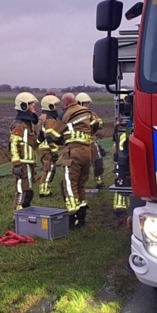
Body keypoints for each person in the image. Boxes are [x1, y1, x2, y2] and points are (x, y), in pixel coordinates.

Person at [54, 92, 96, 228]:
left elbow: (54, 135)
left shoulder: (65, 114)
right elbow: (97, 124)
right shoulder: (87, 111)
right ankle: (82, 215)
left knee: (69, 184)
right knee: (81, 184)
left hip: (73, 153)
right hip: (87, 152)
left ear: (65, 103)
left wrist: (62, 140)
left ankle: (73, 216)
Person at [9, 92, 40, 212]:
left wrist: (41, 138)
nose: (34, 106)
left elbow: (31, 144)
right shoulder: (19, 125)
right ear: (23, 106)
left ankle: (24, 215)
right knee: (23, 191)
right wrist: (16, 164)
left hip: (29, 164)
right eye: (31, 104)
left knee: (29, 192)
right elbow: (13, 144)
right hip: (22, 164)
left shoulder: (28, 124)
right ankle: (17, 216)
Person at [76, 92, 106, 187]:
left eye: (88, 103)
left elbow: (100, 123)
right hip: (80, 144)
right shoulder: (74, 115)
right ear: (79, 103)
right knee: (81, 164)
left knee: (98, 161)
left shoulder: (92, 114)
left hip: (92, 142)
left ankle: (99, 181)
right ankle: (79, 183)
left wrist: (97, 124)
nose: (87, 105)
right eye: (85, 103)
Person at [36, 94, 61, 196]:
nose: (57, 107)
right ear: (50, 106)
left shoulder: (42, 117)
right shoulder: (50, 119)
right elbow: (49, 136)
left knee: (47, 168)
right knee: (49, 169)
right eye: (55, 105)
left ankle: (44, 189)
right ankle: (44, 191)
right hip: (47, 148)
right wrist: (54, 151)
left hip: (43, 147)